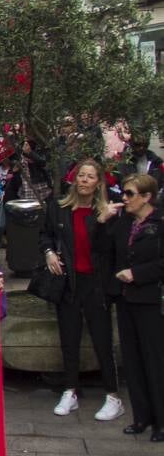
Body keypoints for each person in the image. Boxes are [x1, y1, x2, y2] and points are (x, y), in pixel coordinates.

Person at [42, 158, 124, 421]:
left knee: (102, 340)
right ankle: (70, 390)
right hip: (68, 283)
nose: (84, 181)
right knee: (69, 339)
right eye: (81, 176)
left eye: (90, 177)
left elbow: (108, 250)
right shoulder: (59, 207)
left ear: (98, 182)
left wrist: (102, 221)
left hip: (96, 285)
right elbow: (45, 234)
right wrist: (49, 253)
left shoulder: (109, 212)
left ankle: (112, 395)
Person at [104, 173, 164, 441]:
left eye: (129, 194)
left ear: (146, 197)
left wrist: (138, 273)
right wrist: (103, 220)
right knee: (133, 360)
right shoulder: (124, 222)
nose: (124, 199)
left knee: (154, 360)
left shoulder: (159, 223)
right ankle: (141, 417)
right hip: (126, 299)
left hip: (151, 299)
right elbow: (103, 250)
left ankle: (161, 421)